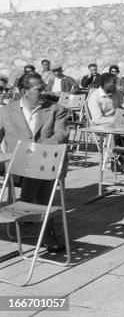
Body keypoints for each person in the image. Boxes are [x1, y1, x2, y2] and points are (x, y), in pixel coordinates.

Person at [0, 72, 68, 251]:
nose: (44, 92)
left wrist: (40, 148)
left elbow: (61, 134)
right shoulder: (7, 111)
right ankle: (47, 230)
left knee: (40, 171)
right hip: (17, 170)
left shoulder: (55, 109)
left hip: (46, 165)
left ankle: (27, 207)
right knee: (37, 176)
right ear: (24, 91)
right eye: (39, 89)